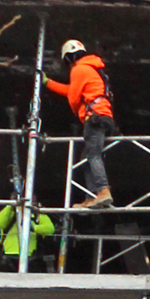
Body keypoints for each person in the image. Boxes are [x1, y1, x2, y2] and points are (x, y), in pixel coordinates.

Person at [46, 39, 117, 208]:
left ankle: (102, 190)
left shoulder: (79, 69)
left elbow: (73, 97)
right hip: (103, 116)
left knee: (93, 156)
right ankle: (92, 197)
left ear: (69, 58)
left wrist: (76, 111)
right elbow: (72, 90)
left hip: (94, 119)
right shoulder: (91, 68)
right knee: (86, 158)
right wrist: (47, 82)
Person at [0, 203, 54, 272]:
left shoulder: (37, 215)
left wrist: (34, 228)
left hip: (30, 257)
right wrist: (10, 206)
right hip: (8, 255)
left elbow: (50, 229)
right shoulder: (11, 212)